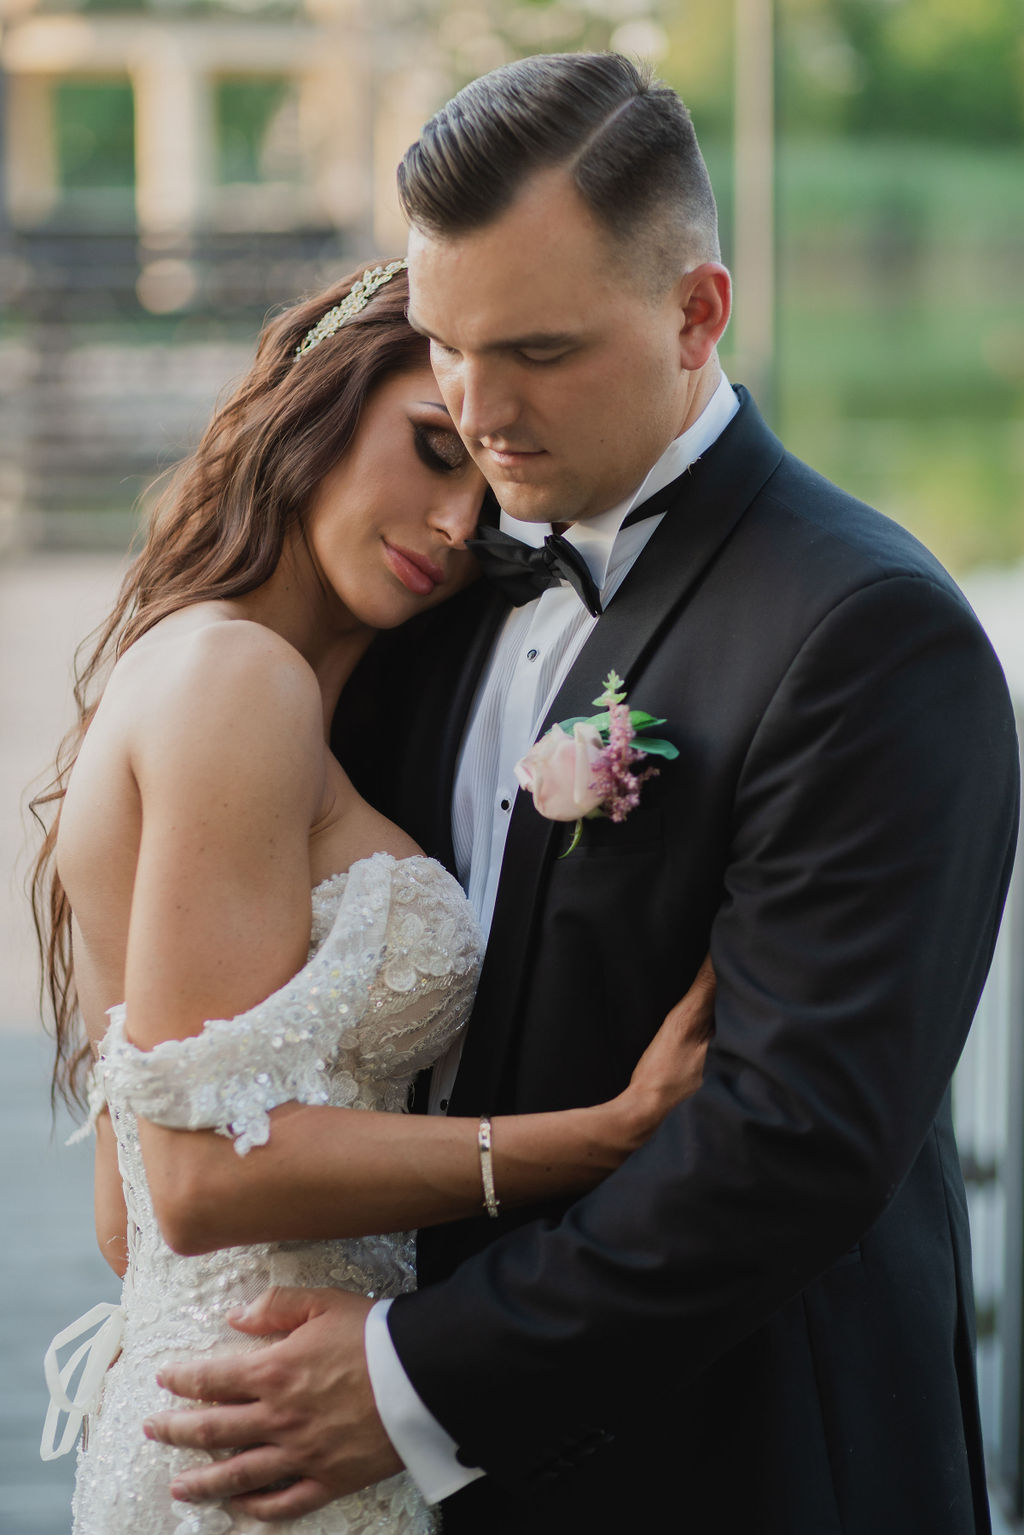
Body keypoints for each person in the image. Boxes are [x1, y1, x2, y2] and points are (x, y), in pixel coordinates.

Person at [141, 53, 1020, 1535]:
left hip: (741, 1468)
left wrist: (415, 1378)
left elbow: (794, 1146)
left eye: (538, 350)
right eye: (446, 344)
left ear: (697, 312)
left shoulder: (871, 632)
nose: (480, 411)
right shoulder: (436, 595)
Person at [33, 257, 714, 1535]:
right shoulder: (240, 681)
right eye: (428, 446)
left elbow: (131, 1217)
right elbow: (191, 1184)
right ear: (316, 406)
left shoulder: (217, 674)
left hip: (236, 1401)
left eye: (485, 490)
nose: (458, 526)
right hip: (271, 1434)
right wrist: (604, 1134)